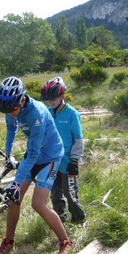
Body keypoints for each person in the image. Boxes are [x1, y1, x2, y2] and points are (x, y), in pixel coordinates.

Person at [0, 76, 75, 254]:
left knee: (38, 204)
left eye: (14, 110)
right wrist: (8, 154)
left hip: (50, 156)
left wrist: (16, 183)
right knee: (14, 199)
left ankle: (65, 241)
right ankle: (8, 241)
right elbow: (11, 129)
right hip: (35, 154)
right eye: (7, 111)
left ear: (22, 100)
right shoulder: (11, 106)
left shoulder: (36, 113)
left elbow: (32, 153)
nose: (11, 114)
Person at [41, 77, 86, 224]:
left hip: (67, 162)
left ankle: (79, 219)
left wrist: (74, 161)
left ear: (62, 96)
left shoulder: (72, 114)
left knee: (70, 193)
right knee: (55, 194)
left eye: (53, 98)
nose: (51, 102)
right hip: (52, 162)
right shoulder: (48, 112)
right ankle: (60, 219)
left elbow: (78, 139)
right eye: (48, 99)